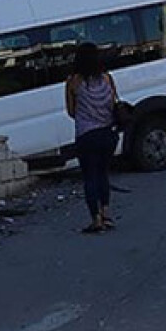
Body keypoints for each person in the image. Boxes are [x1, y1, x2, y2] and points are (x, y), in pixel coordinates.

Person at [64, 43, 120, 234]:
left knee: (89, 177)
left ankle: (95, 219)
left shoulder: (73, 82)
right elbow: (113, 104)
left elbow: (71, 111)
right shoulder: (107, 78)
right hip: (107, 133)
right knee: (103, 173)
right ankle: (106, 214)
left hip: (86, 135)